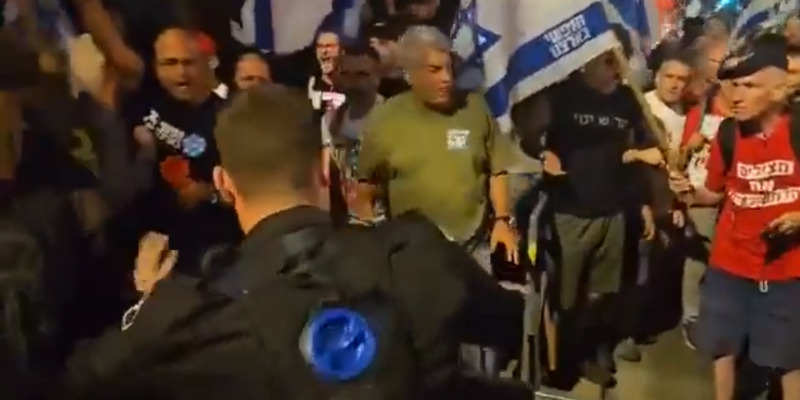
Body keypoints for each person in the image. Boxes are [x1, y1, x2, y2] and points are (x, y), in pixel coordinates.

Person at [57, 84, 527, 400]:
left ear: (223, 184)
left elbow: (79, 381)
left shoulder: (182, 316)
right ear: (325, 168)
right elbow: (508, 326)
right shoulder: (420, 253)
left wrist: (145, 308)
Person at [669, 42, 800, 400]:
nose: (736, 95)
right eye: (734, 85)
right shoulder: (728, 133)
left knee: (789, 360)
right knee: (722, 349)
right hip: (729, 264)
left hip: (786, 270)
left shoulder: (797, 131)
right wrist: (687, 192)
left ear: (779, 90)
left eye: (750, 86)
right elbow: (713, 194)